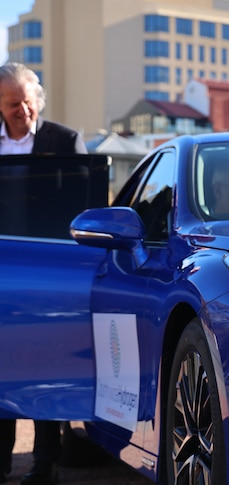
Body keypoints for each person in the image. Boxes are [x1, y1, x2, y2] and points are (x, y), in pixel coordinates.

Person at [0, 61, 86, 485]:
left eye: (29, 101)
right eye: (13, 103)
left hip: (47, 272)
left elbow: (85, 206)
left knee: (41, 369)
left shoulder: (66, 141)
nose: (23, 110)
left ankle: (43, 466)